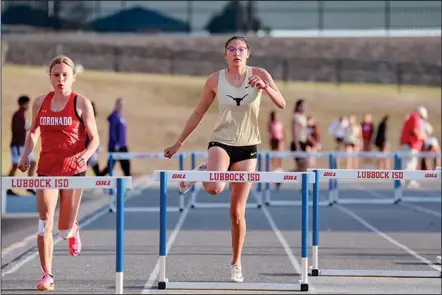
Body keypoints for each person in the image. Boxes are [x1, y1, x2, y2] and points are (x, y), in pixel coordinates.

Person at [163, 36, 286, 283]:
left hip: (248, 147)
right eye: (231, 49)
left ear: (248, 54)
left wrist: (265, 87)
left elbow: (281, 103)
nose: (236, 53)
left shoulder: (260, 74)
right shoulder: (214, 80)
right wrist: (179, 143)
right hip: (221, 142)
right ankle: (202, 171)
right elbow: (198, 112)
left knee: (237, 212)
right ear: (225, 54)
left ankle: (236, 262)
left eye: (241, 49)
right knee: (214, 187)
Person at [17, 55, 99, 291]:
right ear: (50, 77)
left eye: (65, 75)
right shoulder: (40, 102)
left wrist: (85, 154)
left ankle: (73, 229)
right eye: (56, 75)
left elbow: (95, 139)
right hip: (47, 170)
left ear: (73, 77)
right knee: (44, 223)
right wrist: (25, 156)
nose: (60, 79)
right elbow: (33, 132)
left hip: (74, 170)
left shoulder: (81, 103)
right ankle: (47, 275)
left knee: (62, 231)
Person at [7, 95, 37, 196]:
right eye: (28, 103)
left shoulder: (22, 115)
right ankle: (7, 187)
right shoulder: (18, 115)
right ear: (24, 104)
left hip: (24, 146)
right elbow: (18, 132)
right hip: (18, 146)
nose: (29, 105)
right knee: (15, 166)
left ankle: (29, 186)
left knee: (32, 162)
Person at [99, 97, 131, 177]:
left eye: (123, 105)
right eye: (120, 105)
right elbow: (112, 131)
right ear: (116, 105)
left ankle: (128, 185)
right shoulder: (114, 116)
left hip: (123, 146)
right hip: (115, 146)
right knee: (110, 166)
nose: (121, 107)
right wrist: (116, 144)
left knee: (126, 165)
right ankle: (98, 178)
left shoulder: (120, 117)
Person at [400, 106, 428, 188]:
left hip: (412, 145)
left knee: (411, 164)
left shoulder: (413, 118)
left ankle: (409, 181)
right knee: (408, 164)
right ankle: (404, 182)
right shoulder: (415, 117)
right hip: (410, 145)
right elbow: (416, 132)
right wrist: (424, 137)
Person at [290, 99, 309, 172]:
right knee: (302, 165)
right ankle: (282, 177)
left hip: (304, 143)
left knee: (303, 167)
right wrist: (297, 145)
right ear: (298, 107)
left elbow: (306, 132)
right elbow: (294, 132)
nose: (304, 107)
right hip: (298, 143)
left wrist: (314, 142)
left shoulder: (304, 117)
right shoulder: (296, 117)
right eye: (302, 106)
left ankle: (282, 177)